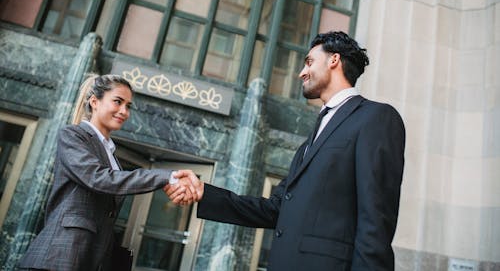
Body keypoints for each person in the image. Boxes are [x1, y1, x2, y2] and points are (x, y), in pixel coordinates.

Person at [167, 31, 406, 270]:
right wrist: (204, 192)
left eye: (309, 62)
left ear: (334, 60)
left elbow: (376, 220)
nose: (301, 72)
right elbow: (276, 208)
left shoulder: (376, 118)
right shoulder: (311, 140)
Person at [18, 74, 197, 271]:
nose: (124, 111)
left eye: (128, 106)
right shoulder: (73, 135)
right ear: (94, 101)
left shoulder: (110, 154)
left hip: (90, 256)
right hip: (61, 255)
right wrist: (166, 177)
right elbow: (98, 178)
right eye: (118, 102)